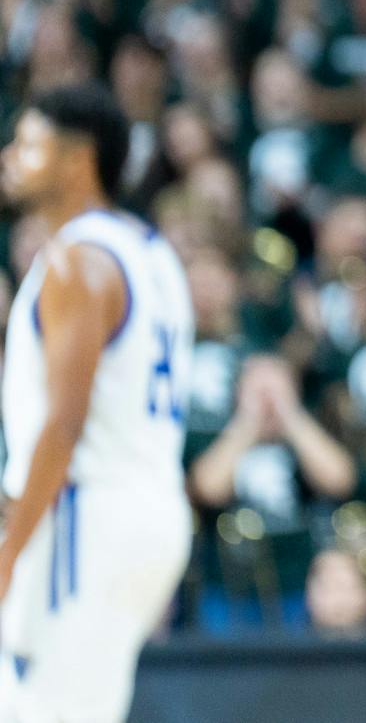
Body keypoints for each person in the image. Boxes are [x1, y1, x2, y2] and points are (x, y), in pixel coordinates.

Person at [0, 83, 195, 719]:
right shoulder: (152, 252)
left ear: (77, 160)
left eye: (29, 145)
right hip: (148, 509)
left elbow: (64, 426)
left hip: (91, 517)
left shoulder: (78, 262)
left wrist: (8, 553)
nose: (10, 156)